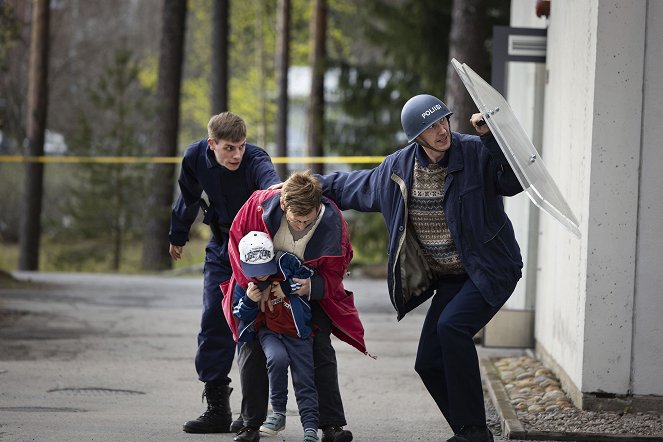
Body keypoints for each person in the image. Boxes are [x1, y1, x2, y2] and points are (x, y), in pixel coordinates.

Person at [315, 94, 524, 442]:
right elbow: (354, 186)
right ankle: (469, 430)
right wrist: (310, 185)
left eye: (443, 120)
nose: (441, 130)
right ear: (416, 137)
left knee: (452, 326)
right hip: (453, 278)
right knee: (427, 361)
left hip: (491, 268)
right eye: (430, 126)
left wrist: (491, 136)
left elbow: (512, 182)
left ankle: (473, 431)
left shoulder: (475, 151)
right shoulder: (398, 169)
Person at [221, 170, 366, 442]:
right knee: (250, 347)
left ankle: (331, 425)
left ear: (318, 208)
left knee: (321, 348)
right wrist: (256, 287)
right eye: (296, 221)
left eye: (308, 221)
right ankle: (251, 424)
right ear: (284, 205)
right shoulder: (257, 205)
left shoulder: (333, 222)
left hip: (306, 290)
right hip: (259, 284)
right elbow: (236, 246)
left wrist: (315, 287)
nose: (301, 226)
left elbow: (337, 268)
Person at [168, 112, 281, 434]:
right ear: (211, 144)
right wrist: (177, 235)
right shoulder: (193, 157)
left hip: (255, 250)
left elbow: (272, 189)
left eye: (241, 147)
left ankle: (252, 415)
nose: (236, 155)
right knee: (214, 319)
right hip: (220, 246)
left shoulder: (256, 159)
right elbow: (188, 196)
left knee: (255, 324)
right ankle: (217, 407)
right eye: (229, 148)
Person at [231, 231, 319, 442]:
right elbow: (240, 315)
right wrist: (251, 301)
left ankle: (310, 430)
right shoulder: (244, 282)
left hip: (298, 334)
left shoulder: (286, 262)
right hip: (269, 333)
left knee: (304, 380)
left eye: (264, 268)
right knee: (276, 359)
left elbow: (308, 277)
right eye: (256, 270)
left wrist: (286, 288)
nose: (261, 275)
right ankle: (278, 413)